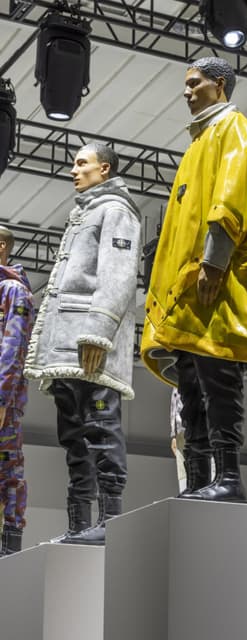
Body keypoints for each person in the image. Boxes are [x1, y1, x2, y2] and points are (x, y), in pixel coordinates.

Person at [141, 57, 247, 504]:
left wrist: (214, 261)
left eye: (195, 83)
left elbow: (231, 201)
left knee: (219, 378)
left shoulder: (236, 132)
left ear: (220, 84)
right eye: (186, 85)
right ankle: (197, 478)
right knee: (191, 384)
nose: (187, 92)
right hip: (190, 292)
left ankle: (228, 476)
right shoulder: (200, 141)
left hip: (218, 284)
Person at [24, 143, 141, 545]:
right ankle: (79, 526)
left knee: (101, 430)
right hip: (66, 347)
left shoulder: (117, 210)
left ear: (104, 169)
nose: (73, 170)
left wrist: (99, 332)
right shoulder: (84, 214)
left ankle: (109, 524)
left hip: (90, 345)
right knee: (74, 438)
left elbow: (119, 275)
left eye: (81, 163)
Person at [0, 227, 33, 556]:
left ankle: (9, 550)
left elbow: (14, 348)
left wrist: (2, 399)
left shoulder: (13, 290)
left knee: (8, 471)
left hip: (3, 403)